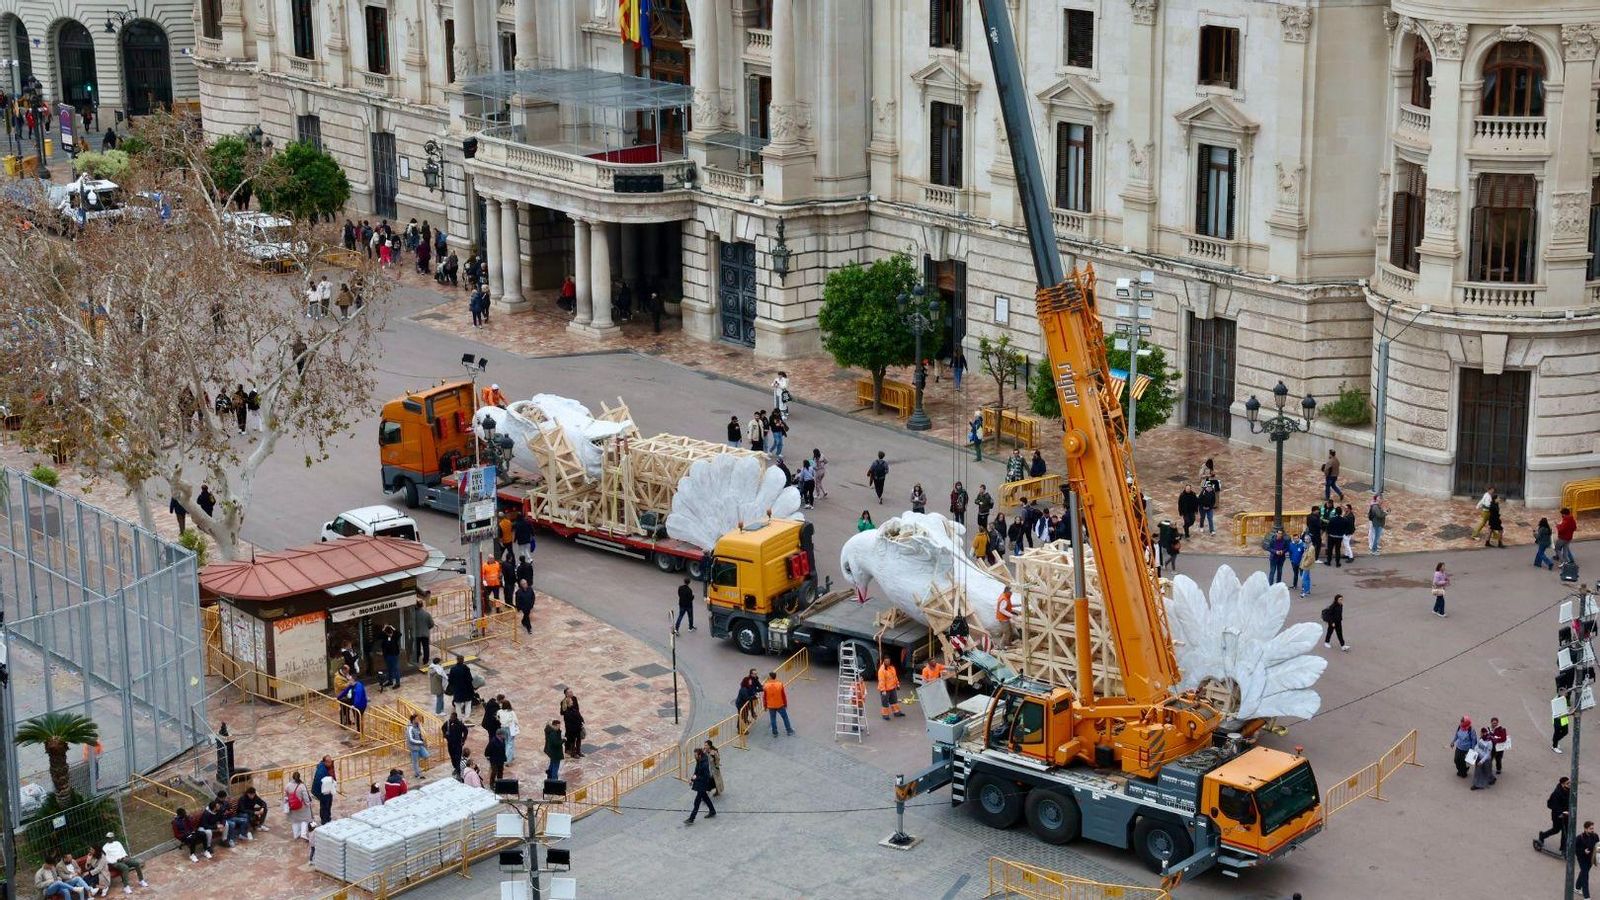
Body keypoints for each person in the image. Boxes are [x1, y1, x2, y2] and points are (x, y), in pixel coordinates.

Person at [683, 746, 717, 825]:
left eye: (695, 755)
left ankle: (691, 818)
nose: (694, 756)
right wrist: (692, 779)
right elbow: (696, 770)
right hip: (700, 783)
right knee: (705, 798)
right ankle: (712, 811)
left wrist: (696, 777)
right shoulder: (699, 760)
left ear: (699, 755)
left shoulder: (704, 763)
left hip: (703, 783)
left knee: (697, 802)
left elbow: (706, 775)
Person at [1538, 777, 1573, 852]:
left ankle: (1563, 848)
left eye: (1569, 782)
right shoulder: (1557, 793)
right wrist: (1562, 812)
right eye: (1567, 783)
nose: (1569, 784)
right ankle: (1542, 835)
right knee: (1556, 830)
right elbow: (1552, 805)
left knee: (1565, 831)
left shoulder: (1569, 790)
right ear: (1562, 784)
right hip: (1558, 816)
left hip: (1566, 815)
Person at [764, 670, 794, 736]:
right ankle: (789, 730)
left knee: (773, 719)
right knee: (785, 717)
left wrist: (765, 706)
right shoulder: (780, 684)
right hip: (780, 704)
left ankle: (775, 733)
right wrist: (785, 704)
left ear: (770, 677)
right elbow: (783, 695)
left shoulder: (766, 685)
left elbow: (765, 697)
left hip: (771, 705)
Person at [285, 773, 313, 840]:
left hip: (292, 806)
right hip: (302, 806)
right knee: (305, 819)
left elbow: (285, 795)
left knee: (295, 821)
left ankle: (296, 835)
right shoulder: (301, 786)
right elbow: (305, 796)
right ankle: (303, 834)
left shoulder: (288, 785)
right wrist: (308, 804)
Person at [442, 711, 469, 777]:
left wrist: (463, 739)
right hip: (450, 743)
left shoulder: (459, 724)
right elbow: (443, 728)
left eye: (452, 717)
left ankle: (458, 770)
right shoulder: (448, 723)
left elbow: (466, 730)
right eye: (450, 717)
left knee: (458, 757)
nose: (451, 718)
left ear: (455, 717)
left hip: (458, 744)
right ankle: (455, 767)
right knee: (452, 756)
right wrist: (445, 735)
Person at [560, 688, 585, 757]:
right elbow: (562, 713)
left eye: (571, 691)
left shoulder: (574, 698)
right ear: (566, 694)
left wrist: (581, 720)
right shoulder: (564, 703)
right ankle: (572, 752)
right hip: (571, 725)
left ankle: (578, 751)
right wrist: (569, 709)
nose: (572, 693)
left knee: (579, 738)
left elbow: (577, 710)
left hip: (577, 723)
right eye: (570, 692)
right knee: (572, 739)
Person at [404, 712, 430, 779]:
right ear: (413, 720)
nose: (418, 720)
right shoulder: (410, 728)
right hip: (414, 747)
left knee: (426, 755)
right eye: (417, 719)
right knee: (415, 762)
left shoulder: (418, 726)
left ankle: (418, 768)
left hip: (420, 745)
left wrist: (420, 725)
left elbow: (421, 733)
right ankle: (417, 774)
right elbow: (410, 739)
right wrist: (420, 742)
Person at [1579, 821, 1600, 899]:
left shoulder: (1595, 836)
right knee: (1585, 876)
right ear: (1585, 829)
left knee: (1584, 872)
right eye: (1590, 828)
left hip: (1591, 859)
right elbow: (1576, 849)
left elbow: (1598, 846)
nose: (1592, 830)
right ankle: (1586, 896)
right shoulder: (1579, 838)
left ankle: (1577, 887)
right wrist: (1583, 851)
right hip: (1582, 859)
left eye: (1593, 828)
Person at [314, 759, 337, 825]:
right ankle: (324, 820)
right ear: (325, 762)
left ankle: (328, 818)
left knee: (328, 805)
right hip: (324, 792)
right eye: (329, 762)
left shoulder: (327, 767)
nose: (331, 764)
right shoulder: (322, 771)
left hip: (328, 791)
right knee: (324, 806)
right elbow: (320, 782)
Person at [379, 624, 402, 688]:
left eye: (390, 633)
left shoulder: (395, 636)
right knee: (389, 669)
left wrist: (393, 627)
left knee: (396, 669)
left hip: (394, 656)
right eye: (388, 633)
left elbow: (400, 634)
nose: (390, 635)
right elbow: (379, 635)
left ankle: (397, 683)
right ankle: (390, 681)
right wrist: (383, 629)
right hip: (387, 656)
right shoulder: (385, 637)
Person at [498, 699, 521, 763]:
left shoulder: (499, 711)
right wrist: (517, 726)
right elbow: (516, 720)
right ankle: (507, 759)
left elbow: (498, 718)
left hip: (503, 728)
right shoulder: (511, 712)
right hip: (510, 728)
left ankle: (511, 756)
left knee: (506, 742)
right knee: (510, 743)